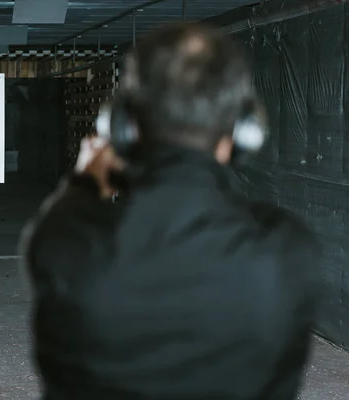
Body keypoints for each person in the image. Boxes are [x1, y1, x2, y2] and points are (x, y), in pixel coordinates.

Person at [20, 22, 320, 400]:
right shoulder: (288, 249)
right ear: (244, 131)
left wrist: (84, 180)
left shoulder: (66, 241)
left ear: (125, 128)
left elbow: (64, 218)